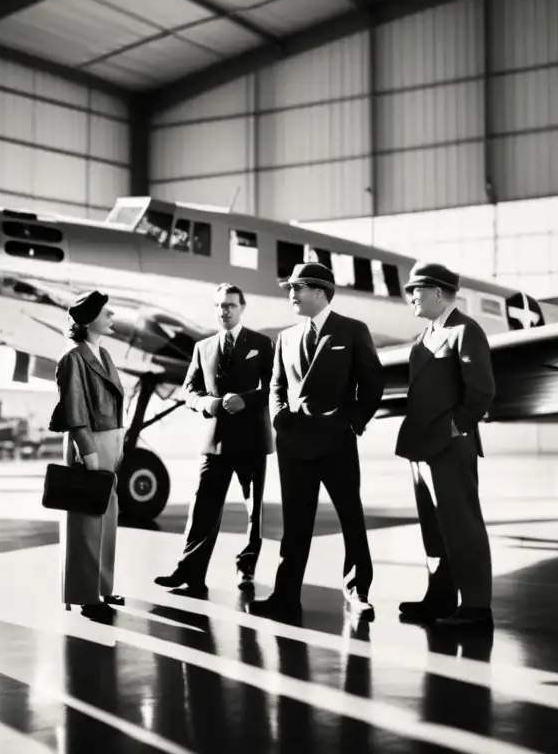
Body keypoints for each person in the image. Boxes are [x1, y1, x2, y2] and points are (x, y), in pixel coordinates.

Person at [249, 262, 384, 618]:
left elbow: (372, 383)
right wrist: (279, 417)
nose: (291, 295)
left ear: (320, 292)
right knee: (295, 525)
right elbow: (277, 384)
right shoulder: (286, 337)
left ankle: (357, 593)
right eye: (290, 288)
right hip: (294, 446)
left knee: (350, 519)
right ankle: (285, 596)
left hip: (336, 442)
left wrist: (352, 422)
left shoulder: (353, 331)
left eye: (298, 288)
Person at [394, 263, 496, 630]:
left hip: (450, 447)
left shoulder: (465, 331)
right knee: (434, 529)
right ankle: (439, 598)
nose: (410, 298)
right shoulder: (428, 334)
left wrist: (455, 428)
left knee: (462, 526)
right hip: (423, 447)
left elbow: (482, 392)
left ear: (438, 293)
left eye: (415, 291)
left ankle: (476, 607)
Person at [154, 283, 274, 593]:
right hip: (215, 440)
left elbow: (276, 388)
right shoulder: (202, 347)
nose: (225, 310)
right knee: (202, 508)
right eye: (221, 305)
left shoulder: (261, 343)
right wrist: (206, 403)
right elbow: (188, 390)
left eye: (231, 305)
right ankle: (190, 572)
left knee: (254, 511)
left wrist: (247, 399)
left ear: (242, 308)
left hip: (252, 440)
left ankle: (246, 568)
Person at [49, 290, 126, 619]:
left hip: (110, 441)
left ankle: (102, 587)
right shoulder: (73, 358)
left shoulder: (103, 354)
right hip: (90, 444)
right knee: (84, 522)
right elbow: (75, 409)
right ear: (88, 320)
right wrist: (89, 452)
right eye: (106, 313)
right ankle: (84, 593)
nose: (112, 317)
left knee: (106, 519)